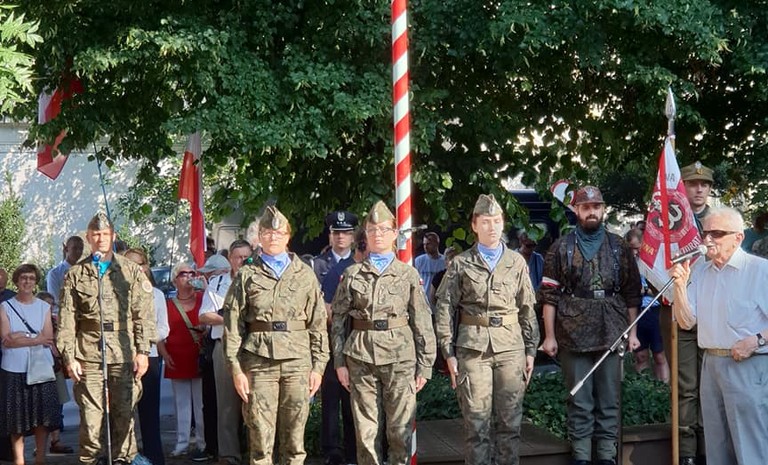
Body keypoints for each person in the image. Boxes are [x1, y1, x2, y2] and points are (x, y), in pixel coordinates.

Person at [434, 194, 539, 465]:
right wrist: (448, 351)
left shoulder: (516, 262)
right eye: (485, 221)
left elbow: (527, 308)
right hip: (473, 350)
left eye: (496, 221)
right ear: (474, 225)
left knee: (510, 425)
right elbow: (444, 306)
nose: (492, 227)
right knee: (476, 426)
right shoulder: (461, 263)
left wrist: (531, 350)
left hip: (511, 349)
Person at [539, 186, 641, 465]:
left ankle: (607, 456)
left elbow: (632, 292)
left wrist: (632, 333)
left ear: (603, 209)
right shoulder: (561, 247)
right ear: (576, 210)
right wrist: (549, 336)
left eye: (596, 207)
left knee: (609, 398)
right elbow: (549, 295)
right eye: (586, 207)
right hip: (572, 331)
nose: (592, 212)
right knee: (580, 399)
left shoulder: (619, 246)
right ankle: (582, 456)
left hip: (613, 330)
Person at [331, 201, 436, 465]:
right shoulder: (352, 274)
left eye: (384, 229)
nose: (378, 235)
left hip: (400, 358)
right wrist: (339, 362)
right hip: (361, 357)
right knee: (366, 432)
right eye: (372, 230)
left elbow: (422, 320)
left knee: (400, 431)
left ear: (394, 234)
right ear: (365, 235)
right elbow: (338, 321)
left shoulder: (408, 274)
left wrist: (425, 365)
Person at [223, 206, 329, 465]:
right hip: (259, 362)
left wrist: (318, 367)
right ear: (260, 236)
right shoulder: (247, 274)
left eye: (279, 233)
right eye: (267, 233)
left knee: (294, 440)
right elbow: (233, 325)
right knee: (260, 438)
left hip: (297, 362)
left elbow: (317, 323)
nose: (273, 237)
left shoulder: (305, 273)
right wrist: (236, 369)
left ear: (288, 236)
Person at [669, 207, 768, 465]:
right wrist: (679, 287)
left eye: (717, 233)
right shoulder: (701, 271)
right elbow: (687, 321)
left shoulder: (759, 270)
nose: (708, 239)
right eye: (706, 233)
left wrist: (756, 340)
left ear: (738, 237)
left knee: (750, 446)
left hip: (747, 364)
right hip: (711, 363)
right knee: (716, 445)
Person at [57, 212, 156, 465]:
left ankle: (124, 460)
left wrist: (143, 352)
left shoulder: (130, 271)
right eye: (96, 234)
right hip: (89, 354)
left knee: (124, 416)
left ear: (113, 236)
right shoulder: (76, 274)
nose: (101, 239)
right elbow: (67, 319)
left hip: (124, 352)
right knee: (91, 421)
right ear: (88, 238)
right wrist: (69, 357)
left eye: (105, 234)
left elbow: (143, 315)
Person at [667, 161, 714, 465]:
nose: (699, 189)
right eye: (693, 184)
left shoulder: (720, 223)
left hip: (713, 312)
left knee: (710, 386)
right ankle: (686, 452)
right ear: (682, 187)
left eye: (704, 184)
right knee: (685, 387)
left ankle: (709, 447)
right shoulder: (670, 223)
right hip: (680, 310)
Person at [198, 240, 253, 465]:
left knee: (255, 402)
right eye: (238, 257)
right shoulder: (218, 283)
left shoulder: (259, 281)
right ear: (230, 259)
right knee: (227, 406)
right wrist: (230, 319)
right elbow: (204, 315)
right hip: (224, 345)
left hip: (252, 348)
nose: (242, 261)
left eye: (246, 257)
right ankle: (229, 455)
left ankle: (255, 453)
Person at [0, 264, 61, 465]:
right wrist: (35, 337)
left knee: (42, 418)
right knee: (16, 420)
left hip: (40, 368)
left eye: (31, 278)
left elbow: (48, 338)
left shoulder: (44, 307)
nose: (27, 281)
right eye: (23, 277)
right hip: (14, 368)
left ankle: (40, 459)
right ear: (16, 281)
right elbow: (7, 340)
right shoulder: (5, 307)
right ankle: (19, 461)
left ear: (36, 282)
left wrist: (21, 335)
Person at [319, 229, 368, 465]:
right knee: (332, 400)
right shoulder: (334, 269)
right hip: (336, 342)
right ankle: (332, 451)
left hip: (360, 346)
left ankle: (352, 452)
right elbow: (326, 309)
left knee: (353, 403)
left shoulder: (366, 269)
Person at [122, 248, 169, 465]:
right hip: (122, 358)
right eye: (129, 264)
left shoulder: (156, 294)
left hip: (149, 357)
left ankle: (154, 456)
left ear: (146, 266)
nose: (136, 268)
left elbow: (164, 328)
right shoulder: (116, 293)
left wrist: (143, 341)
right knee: (123, 413)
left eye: (139, 263)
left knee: (149, 412)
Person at [158, 262, 207, 460]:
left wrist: (205, 287)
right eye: (183, 274)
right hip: (177, 356)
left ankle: (203, 442)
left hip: (200, 357)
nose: (188, 276)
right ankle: (182, 442)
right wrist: (164, 354)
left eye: (191, 273)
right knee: (181, 404)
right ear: (175, 280)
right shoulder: (168, 305)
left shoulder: (203, 298)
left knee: (201, 404)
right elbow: (159, 332)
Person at [624, 230, 669, 383]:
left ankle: (662, 387)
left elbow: (662, 287)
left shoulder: (654, 261)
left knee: (659, 355)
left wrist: (645, 290)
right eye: (631, 249)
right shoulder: (628, 263)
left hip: (655, 310)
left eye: (637, 248)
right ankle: (643, 388)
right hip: (637, 311)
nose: (634, 252)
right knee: (641, 355)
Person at [35, 291, 74, 456]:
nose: (50, 307)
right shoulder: (34, 321)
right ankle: (40, 446)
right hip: (39, 367)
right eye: (47, 304)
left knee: (58, 404)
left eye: (52, 304)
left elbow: (61, 344)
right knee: (41, 407)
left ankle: (56, 441)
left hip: (55, 367)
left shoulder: (56, 321)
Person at [314, 211, 359, 284]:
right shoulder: (317, 264)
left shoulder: (358, 263)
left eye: (345, 233)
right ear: (330, 237)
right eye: (336, 233)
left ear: (353, 237)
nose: (340, 236)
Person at [46, 236, 85, 314]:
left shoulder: (84, 272)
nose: (78, 252)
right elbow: (55, 300)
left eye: (81, 249)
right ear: (66, 249)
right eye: (75, 248)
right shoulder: (55, 274)